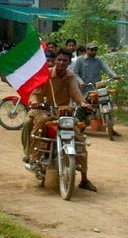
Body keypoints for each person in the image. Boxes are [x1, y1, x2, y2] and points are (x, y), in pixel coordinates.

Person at [23, 48, 97, 192]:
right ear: (55, 60)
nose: (62, 63)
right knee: (41, 122)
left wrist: (84, 103)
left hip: (63, 113)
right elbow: (35, 94)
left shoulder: (70, 76)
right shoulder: (45, 75)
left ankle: (84, 178)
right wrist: (33, 102)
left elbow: (76, 94)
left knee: (79, 138)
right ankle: (34, 159)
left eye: (65, 60)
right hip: (44, 111)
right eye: (59, 60)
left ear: (70, 62)